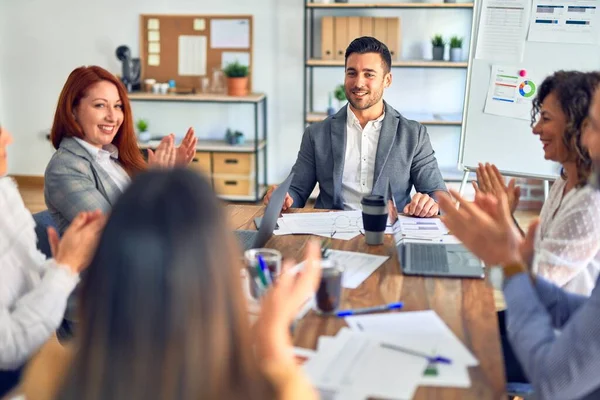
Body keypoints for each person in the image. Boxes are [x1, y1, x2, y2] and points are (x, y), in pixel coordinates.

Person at [17, 168, 320, 400]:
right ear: (218, 273)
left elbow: (41, 338)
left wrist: (65, 270)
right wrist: (273, 335)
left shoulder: (52, 374)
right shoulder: (275, 389)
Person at [437, 72, 600, 400]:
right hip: (553, 323)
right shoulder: (563, 183)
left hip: (557, 349)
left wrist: (504, 254)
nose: (587, 138)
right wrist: (504, 236)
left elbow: (529, 279)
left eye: (593, 126)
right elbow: (536, 277)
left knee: (455, 351)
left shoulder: (591, 204)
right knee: (454, 327)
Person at [264, 36, 447, 217]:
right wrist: (284, 198)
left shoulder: (413, 135)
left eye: (369, 74)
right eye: (352, 73)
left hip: (388, 233)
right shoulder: (316, 134)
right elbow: (297, 190)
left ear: (387, 80)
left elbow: (439, 195)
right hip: (331, 233)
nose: (358, 83)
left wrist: (430, 203)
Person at [472, 71, 600, 296]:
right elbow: (534, 255)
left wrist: (497, 226)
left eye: (546, 119)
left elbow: (536, 282)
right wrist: (507, 216)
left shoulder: (591, 201)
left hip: (563, 327)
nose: (536, 129)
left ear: (577, 124)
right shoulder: (563, 181)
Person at [0, 126, 105, 397]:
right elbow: (8, 347)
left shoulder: (5, 191)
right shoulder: (65, 167)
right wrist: (65, 268)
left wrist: (63, 264)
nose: (8, 138)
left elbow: (25, 281)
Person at [44, 65, 198, 235]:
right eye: (100, 105)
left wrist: (172, 176)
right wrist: (154, 183)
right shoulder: (65, 168)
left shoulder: (114, 156)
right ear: (73, 110)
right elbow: (115, 234)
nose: (112, 117)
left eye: (118, 106)